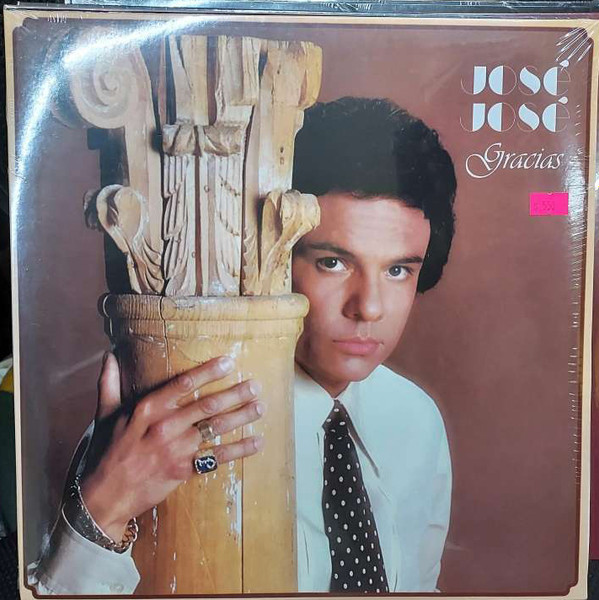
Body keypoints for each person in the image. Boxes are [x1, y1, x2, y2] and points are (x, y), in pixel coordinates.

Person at [28, 97, 456, 595]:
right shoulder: (173, 421)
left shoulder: (417, 419)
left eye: (398, 270)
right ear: (273, 256)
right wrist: (102, 510)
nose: (370, 308)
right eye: (332, 263)